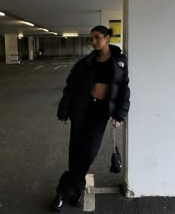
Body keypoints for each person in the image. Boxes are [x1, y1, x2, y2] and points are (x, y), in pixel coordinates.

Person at [52, 25, 130, 211]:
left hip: (100, 113)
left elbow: (123, 90)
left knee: (88, 153)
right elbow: (70, 87)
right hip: (82, 109)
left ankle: (63, 191)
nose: (93, 42)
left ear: (107, 38)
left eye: (97, 37)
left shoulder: (119, 62)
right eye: (91, 39)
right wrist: (64, 110)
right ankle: (77, 189)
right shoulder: (86, 63)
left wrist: (119, 115)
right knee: (75, 152)